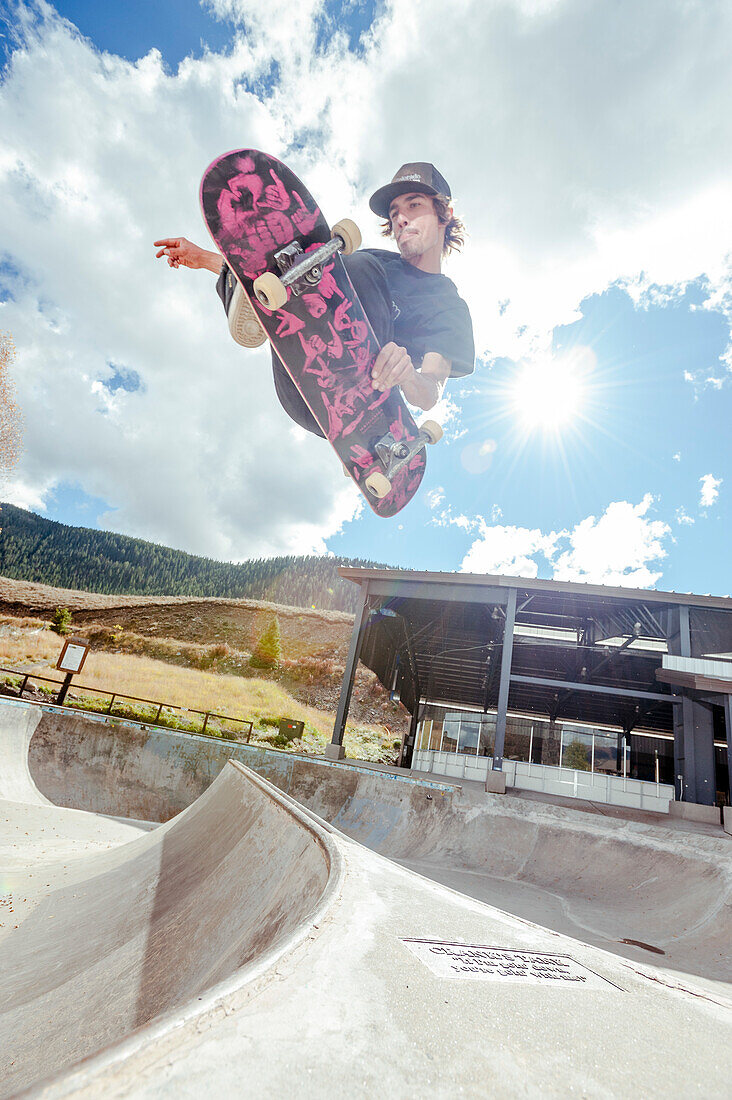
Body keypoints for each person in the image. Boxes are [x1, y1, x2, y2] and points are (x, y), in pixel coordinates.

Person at [154, 161, 474, 437]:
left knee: (357, 266)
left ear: (443, 214)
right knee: (328, 258)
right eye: (394, 212)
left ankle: (370, 427)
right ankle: (259, 295)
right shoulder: (378, 260)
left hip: (367, 404)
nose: (401, 218)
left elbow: (431, 390)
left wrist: (409, 377)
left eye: (414, 205)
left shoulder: (447, 304)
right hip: (302, 390)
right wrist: (201, 258)